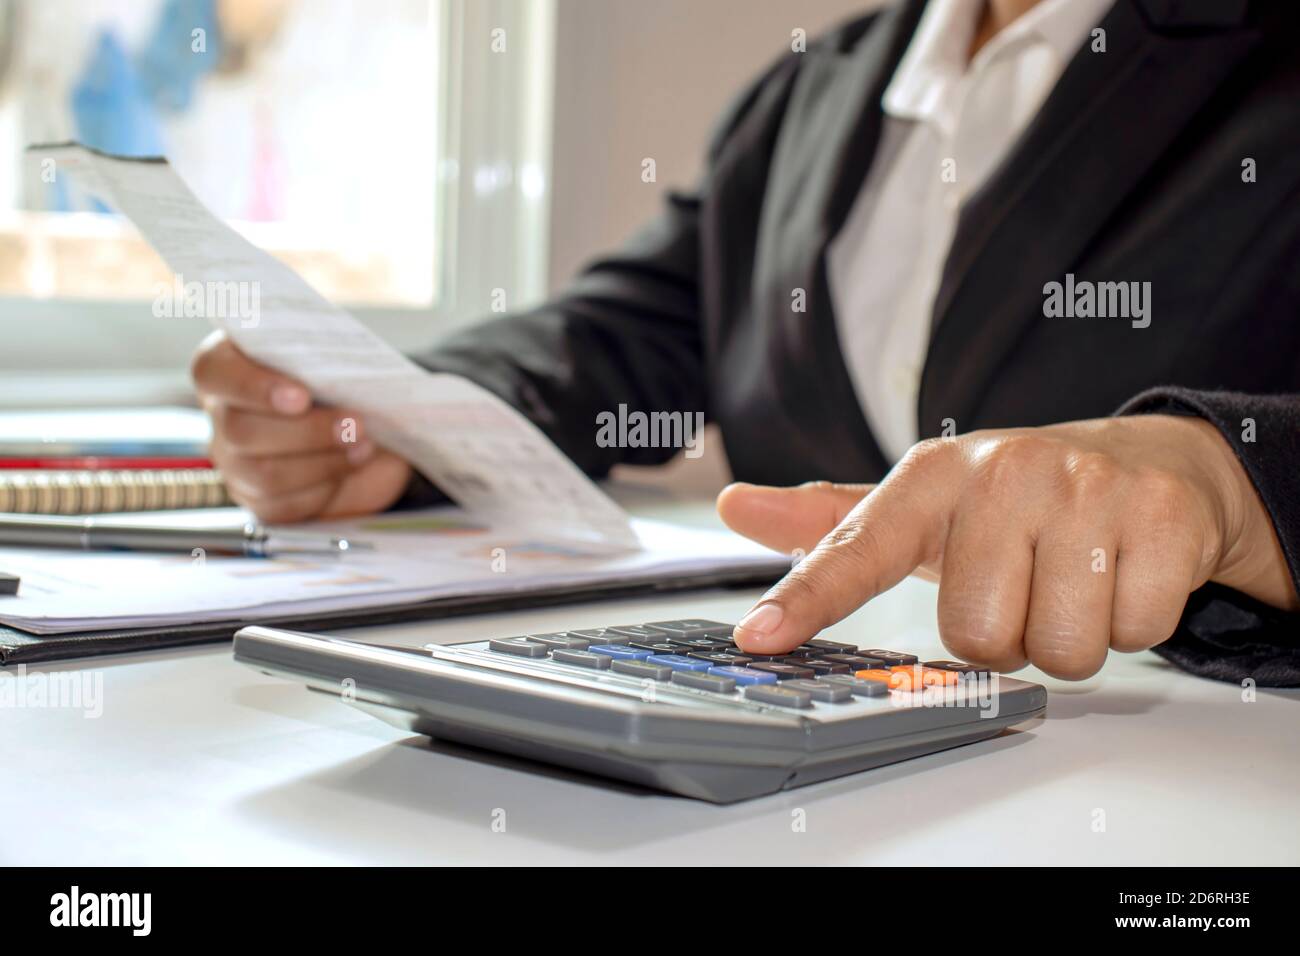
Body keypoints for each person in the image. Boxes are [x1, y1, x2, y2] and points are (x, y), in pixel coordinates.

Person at [192, 0, 1300, 685]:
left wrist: (1235, 476)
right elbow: (632, 325)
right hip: (795, 749)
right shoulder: (811, 89)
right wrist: (409, 414)